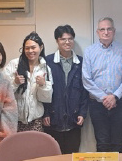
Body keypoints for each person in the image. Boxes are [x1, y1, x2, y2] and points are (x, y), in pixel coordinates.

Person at [82, 17, 122, 152]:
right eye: (102, 29)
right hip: (97, 104)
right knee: (102, 143)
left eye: (109, 29)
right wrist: (104, 97)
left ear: (114, 31)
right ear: (97, 32)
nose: (106, 32)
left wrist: (114, 96)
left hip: (119, 102)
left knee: (119, 143)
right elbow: (86, 79)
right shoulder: (89, 51)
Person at [43, 25, 88, 154]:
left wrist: (82, 113)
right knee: (53, 155)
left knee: (72, 154)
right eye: (63, 39)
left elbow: (85, 91)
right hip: (52, 118)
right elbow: (43, 90)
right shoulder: (48, 61)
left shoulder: (81, 62)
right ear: (57, 41)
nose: (67, 42)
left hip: (74, 119)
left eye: (70, 39)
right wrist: (46, 113)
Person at [4, 32, 53, 132]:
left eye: (33, 47)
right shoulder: (14, 64)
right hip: (14, 120)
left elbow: (46, 99)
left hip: (35, 121)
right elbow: (3, 92)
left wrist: (43, 85)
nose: (30, 51)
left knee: (34, 147)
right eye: (27, 48)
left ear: (41, 47)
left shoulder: (45, 69)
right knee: (16, 147)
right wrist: (15, 83)